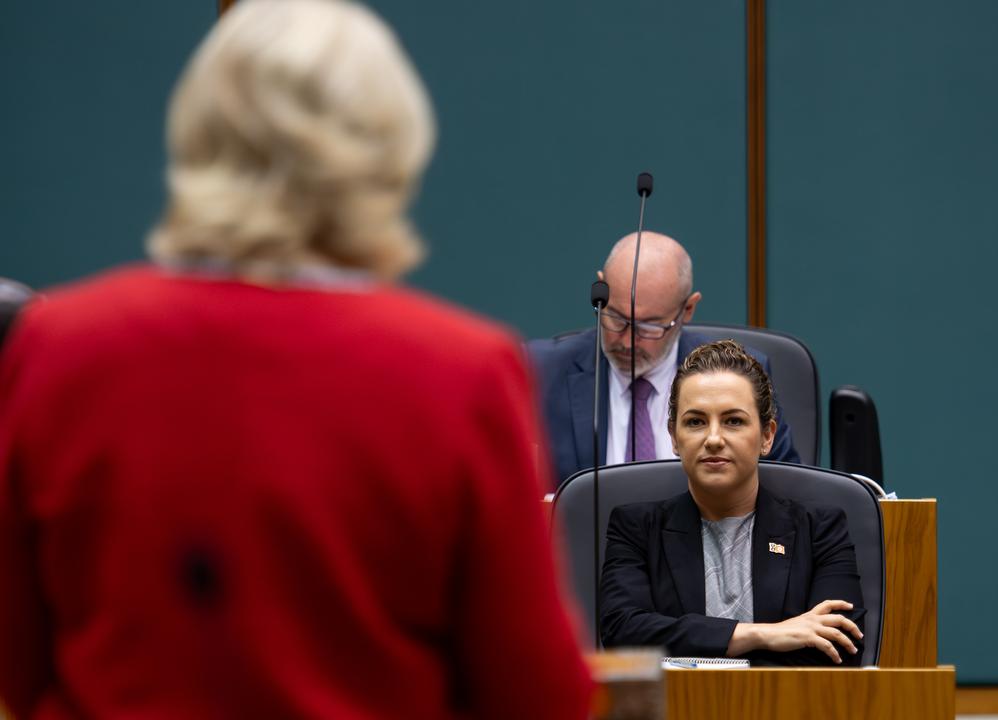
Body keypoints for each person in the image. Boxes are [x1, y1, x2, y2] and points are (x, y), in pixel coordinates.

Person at [0, 1, 591, 718]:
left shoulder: (55, 344)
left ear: (195, 137)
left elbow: (20, 660)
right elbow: (536, 694)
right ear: (393, 153)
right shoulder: (460, 371)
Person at [598, 340, 865, 666]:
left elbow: (839, 645)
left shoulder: (819, 529)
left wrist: (689, 649)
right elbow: (623, 634)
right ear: (674, 437)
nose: (713, 439)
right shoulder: (636, 528)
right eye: (695, 421)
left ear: (767, 436)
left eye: (733, 421)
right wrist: (765, 634)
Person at [527, 232, 800, 486]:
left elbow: (785, 492)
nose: (627, 341)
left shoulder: (740, 375)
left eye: (649, 327)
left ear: (688, 309)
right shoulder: (540, 371)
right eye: (616, 318)